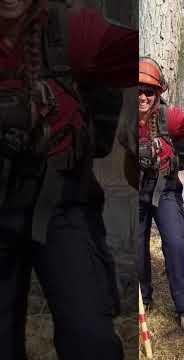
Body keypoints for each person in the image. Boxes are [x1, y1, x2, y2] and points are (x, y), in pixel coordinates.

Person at [0, 1, 137, 359]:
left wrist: (146, 107)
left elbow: (139, 55)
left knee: (90, 340)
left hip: (62, 206)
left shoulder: (67, 30)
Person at [137, 56, 184, 332]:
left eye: (149, 91)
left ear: (158, 92)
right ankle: (142, 299)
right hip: (134, 193)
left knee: (176, 245)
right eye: (137, 90)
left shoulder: (171, 117)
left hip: (165, 191)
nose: (142, 96)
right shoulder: (121, 118)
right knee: (136, 247)